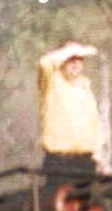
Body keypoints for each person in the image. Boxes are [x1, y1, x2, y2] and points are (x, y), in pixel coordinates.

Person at [38, 41, 103, 182]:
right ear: (62, 61)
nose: (75, 64)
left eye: (79, 59)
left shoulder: (86, 87)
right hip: (60, 160)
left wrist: (97, 152)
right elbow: (44, 63)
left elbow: (95, 123)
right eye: (70, 60)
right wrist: (65, 51)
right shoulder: (52, 83)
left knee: (87, 201)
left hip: (85, 161)